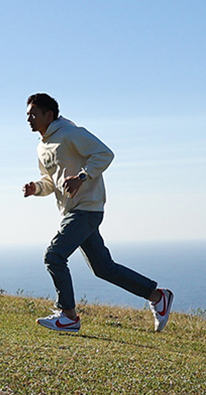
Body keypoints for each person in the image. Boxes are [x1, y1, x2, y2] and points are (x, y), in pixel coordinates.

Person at [20, 93, 172, 334]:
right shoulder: (42, 147)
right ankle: (157, 296)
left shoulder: (70, 133)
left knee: (54, 256)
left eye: (34, 114)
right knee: (103, 268)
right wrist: (36, 188)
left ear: (49, 115)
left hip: (87, 209)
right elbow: (51, 181)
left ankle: (68, 316)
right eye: (28, 114)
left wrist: (82, 177)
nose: (29, 118)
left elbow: (104, 153)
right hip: (73, 210)